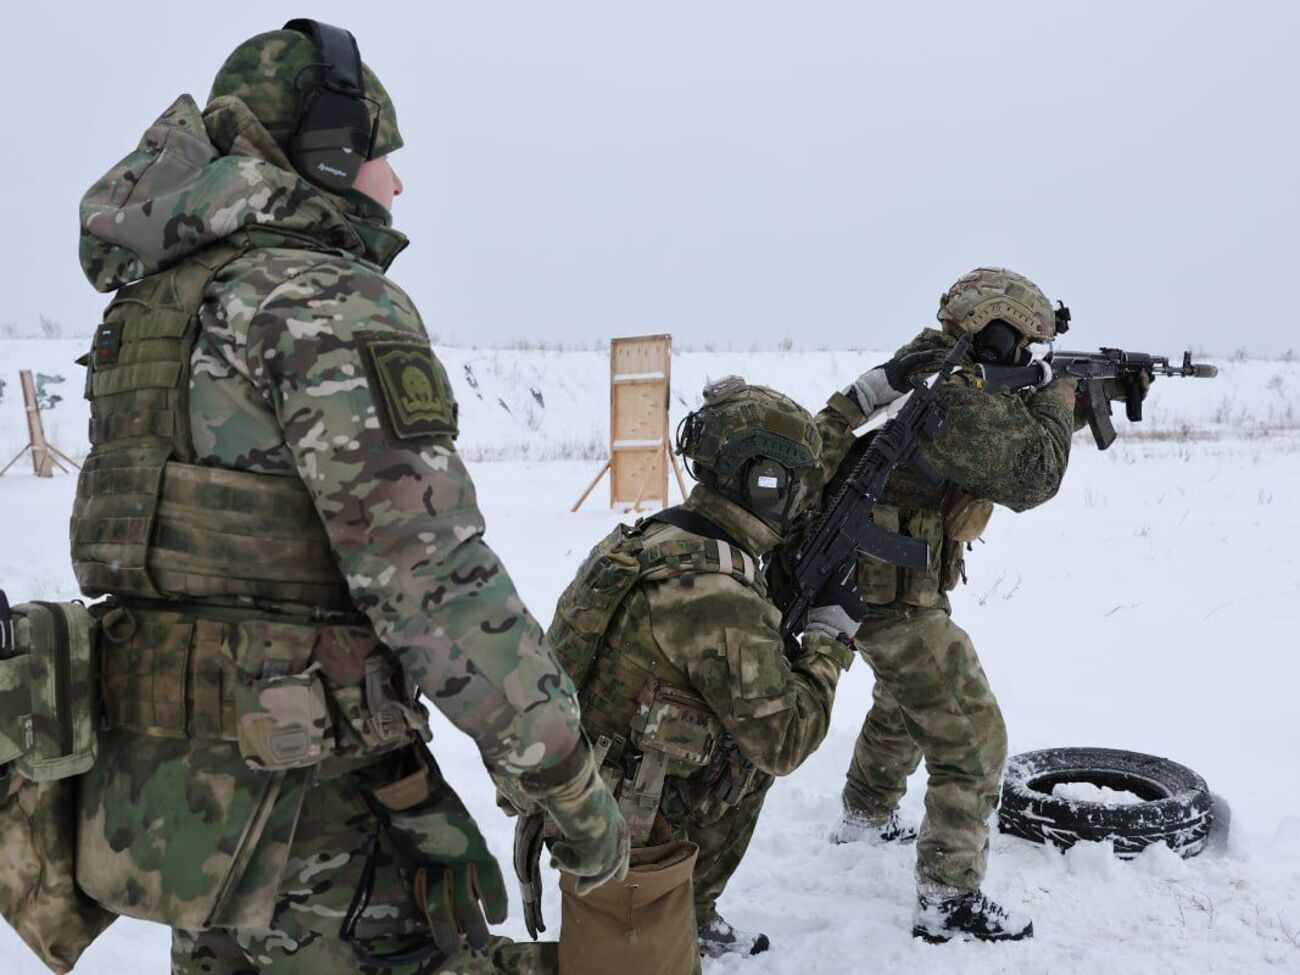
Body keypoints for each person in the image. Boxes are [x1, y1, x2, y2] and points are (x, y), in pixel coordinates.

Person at [71, 21, 626, 974]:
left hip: (178, 810)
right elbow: (435, 586)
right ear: (327, 149)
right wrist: (570, 784)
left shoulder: (151, 311)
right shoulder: (321, 299)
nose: (396, 184)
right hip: (312, 812)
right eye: (381, 154)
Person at [822, 267, 1146, 943]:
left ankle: (865, 813)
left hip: (884, 576)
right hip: (889, 584)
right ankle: (947, 898)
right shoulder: (958, 396)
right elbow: (1032, 475)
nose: (1025, 357)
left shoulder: (939, 362)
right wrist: (1061, 394)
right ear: (990, 332)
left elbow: (1011, 433)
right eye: (1019, 343)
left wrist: (1084, 395)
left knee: (908, 698)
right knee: (972, 734)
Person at [536, 376, 874, 966]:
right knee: (754, 754)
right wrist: (828, 640)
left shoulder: (656, 536)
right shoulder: (718, 595)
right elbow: (785, 741)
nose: (799, 499)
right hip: (622, 822)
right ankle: (676, 912)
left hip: (579, 775)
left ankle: (686, 907)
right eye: (789, 483)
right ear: (760, 481)